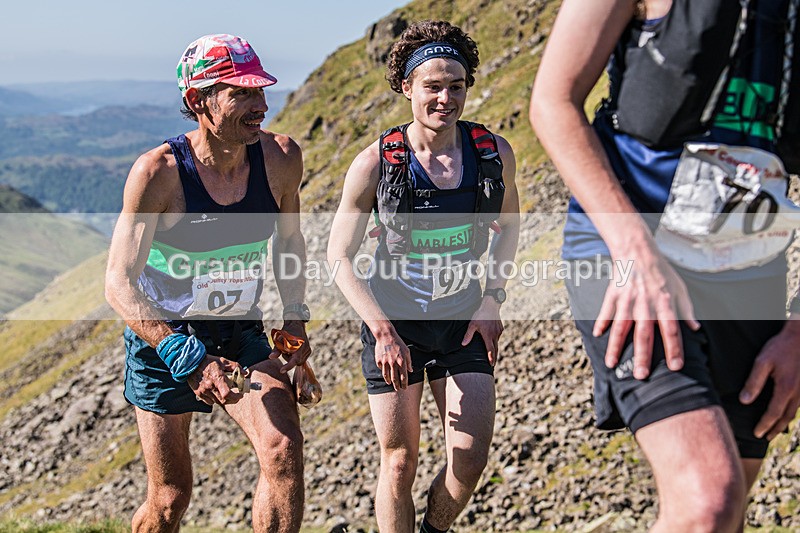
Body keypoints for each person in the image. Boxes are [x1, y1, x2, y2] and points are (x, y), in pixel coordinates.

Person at [531, 1, 800, 531]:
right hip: (628, 253)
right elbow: (552, 103)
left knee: (725, 510)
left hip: (748, 274)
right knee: (708, 502)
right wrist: (635, 250)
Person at [105, 34, 311, 533]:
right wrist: (186, 356)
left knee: (283, 450)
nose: (261, 106)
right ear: (199, 101)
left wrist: (294, 333)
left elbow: (289, 246)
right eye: (242, 93)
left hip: (239, 331)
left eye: (261, 92)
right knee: (170, 499)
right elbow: (118, 283)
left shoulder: (281, 159)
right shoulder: (159, 173)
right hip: (166, 343)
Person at [328, 20, 520, 533]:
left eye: (455, 86)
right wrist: (382, 330)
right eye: (432, 86)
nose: (445, 98)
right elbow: (339, 258)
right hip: (395, 326)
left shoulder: (492, 155)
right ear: (406, 87)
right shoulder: (376, 165)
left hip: (462, 321)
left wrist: (493, 300)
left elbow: (510, 227)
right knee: (399, 462)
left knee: (471, 459)